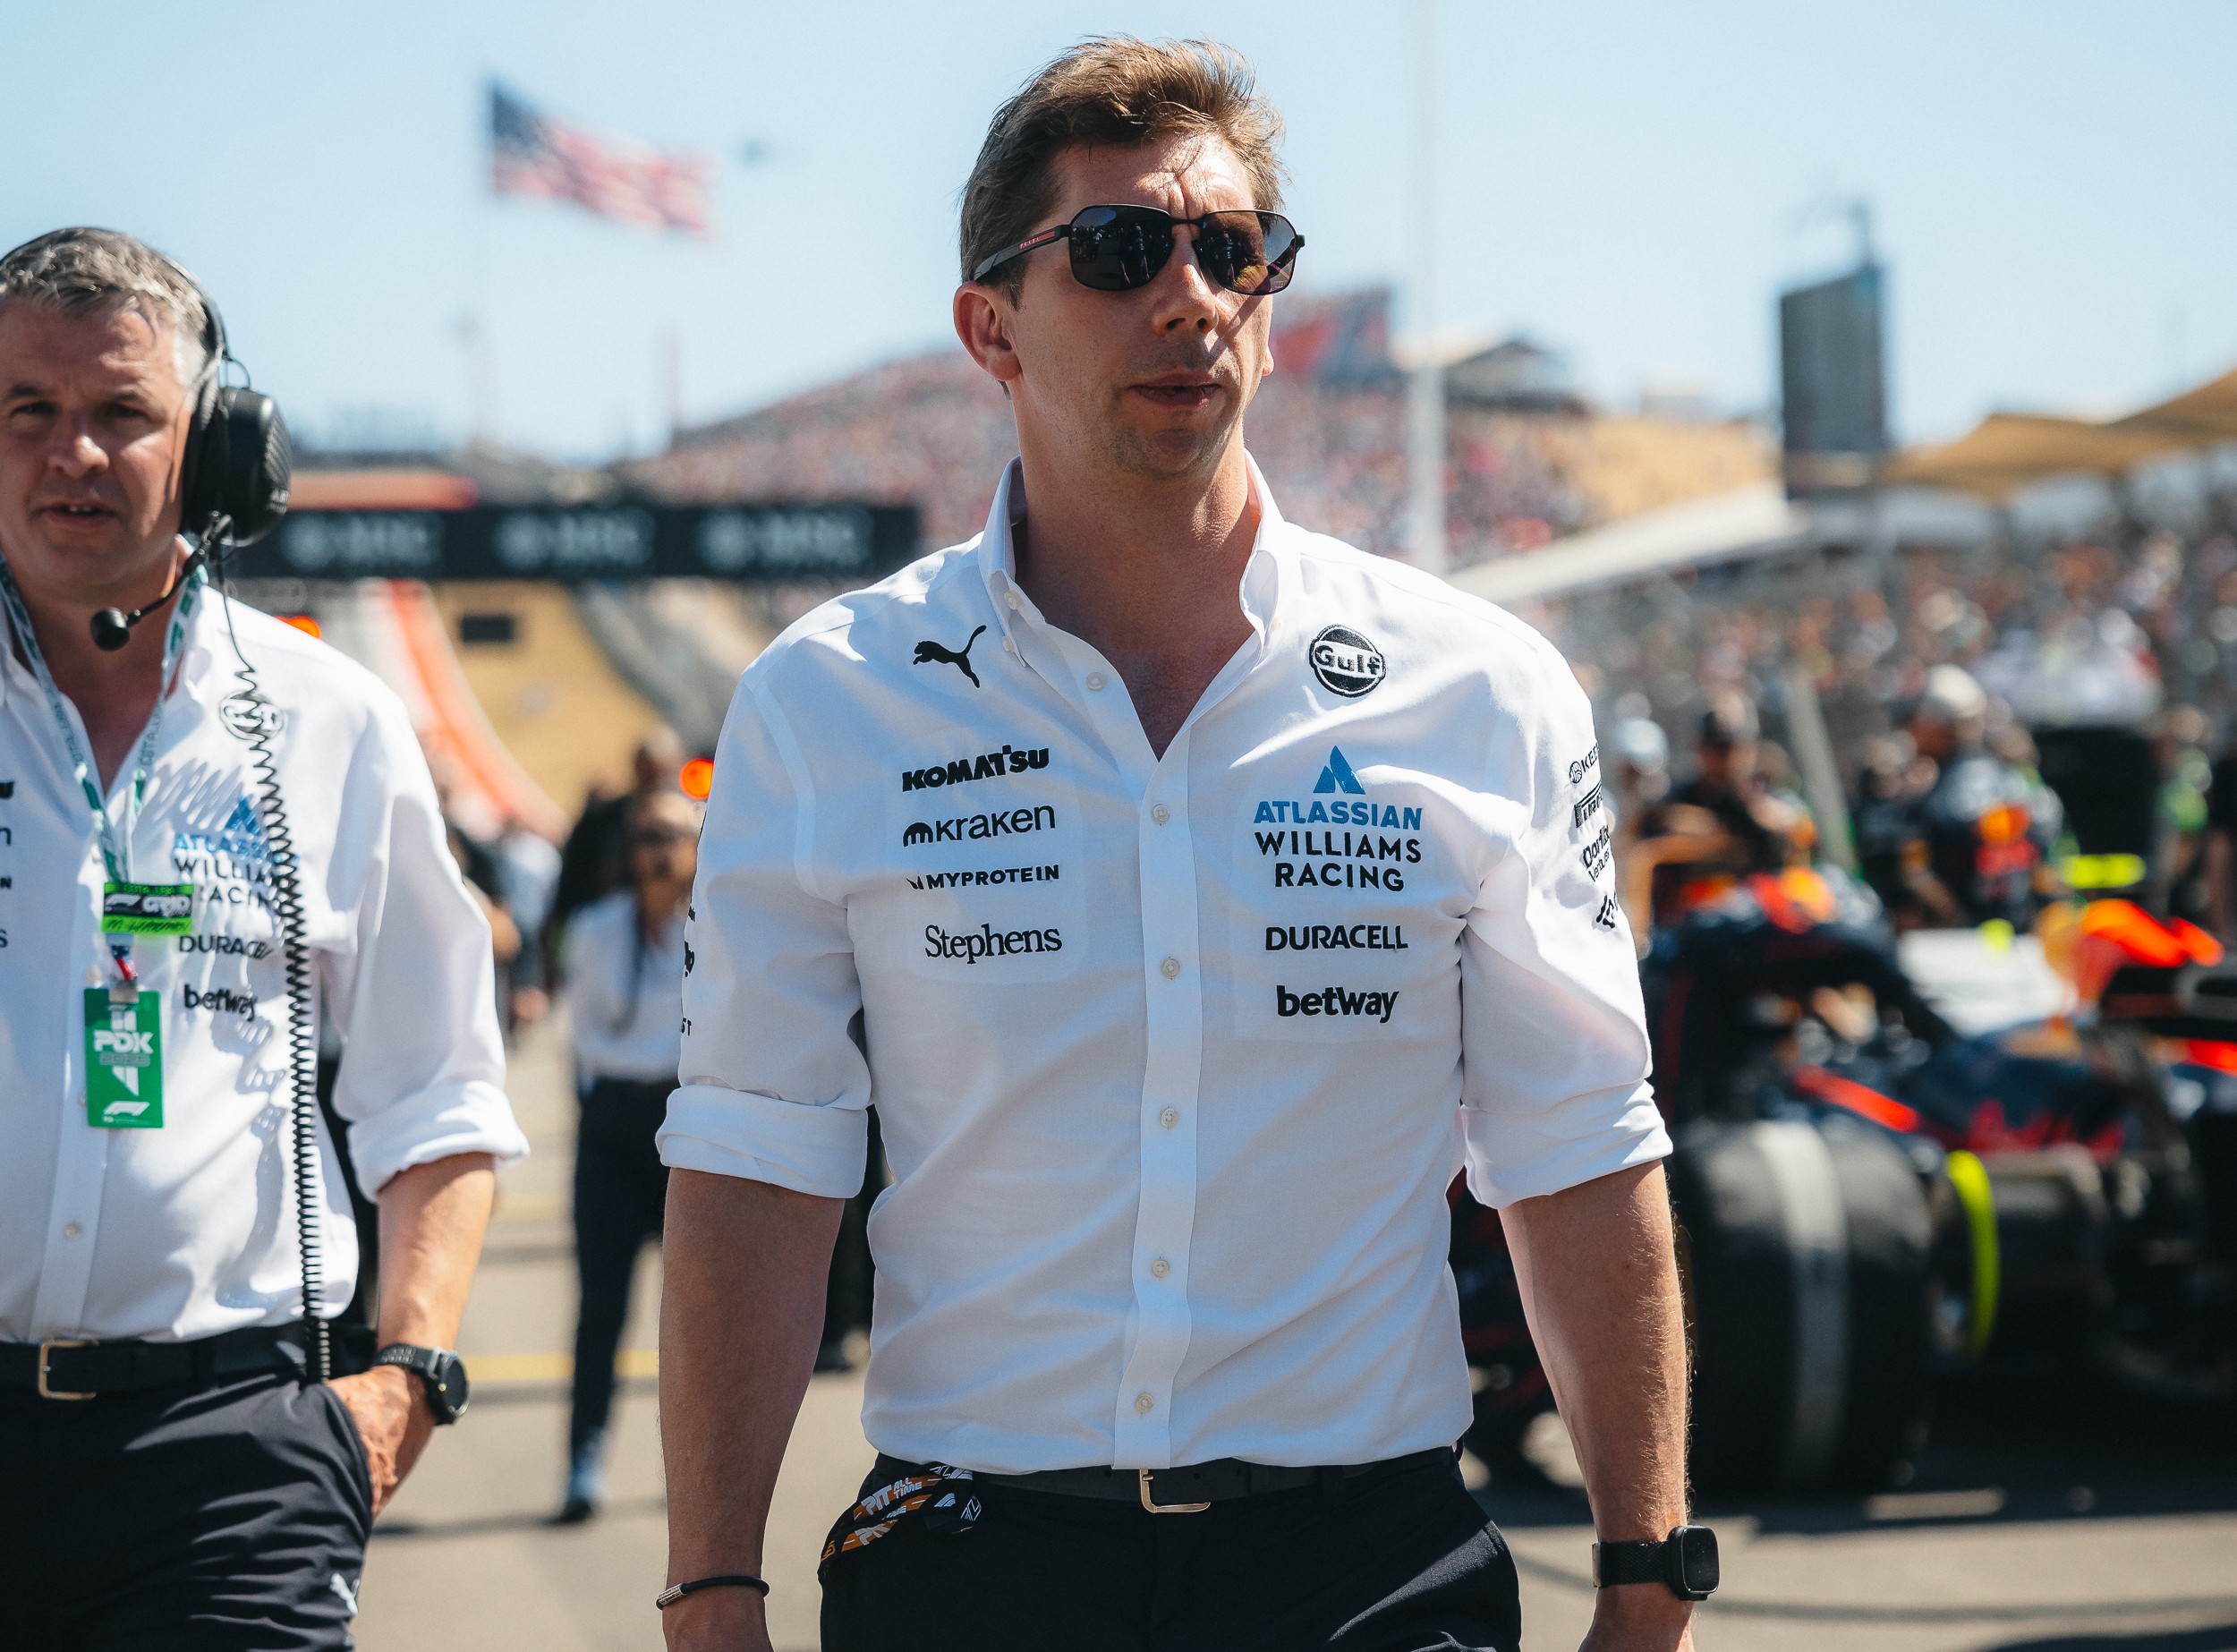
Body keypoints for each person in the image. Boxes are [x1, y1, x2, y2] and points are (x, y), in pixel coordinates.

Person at [659, 40, 1705, 1652]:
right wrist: (712, 1577)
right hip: (977, 1562)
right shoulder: (826, 703)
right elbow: (756, 1160)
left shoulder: (1483, 690)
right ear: (988, 326)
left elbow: (1573, 1141)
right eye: (1122, 250)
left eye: (1234, 251)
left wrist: (1647, 1568)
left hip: (1372, 1571)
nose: (1193, 296)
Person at [0, 227, 527, 1648]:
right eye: (28, 412)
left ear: (216, 447)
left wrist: (405, 1372)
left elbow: (440, 1091)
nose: (74, 456)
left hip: (228, 1457)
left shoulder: (332, 720)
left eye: (123, 413)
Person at [556, 787, 702, 1522]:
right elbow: (581, 1035)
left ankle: (697, 1478)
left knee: (695, 1316)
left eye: (673, 835)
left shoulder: (717, 930)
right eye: (646, 835)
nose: (658, 850)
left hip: (683, 1124)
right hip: (613, 1120)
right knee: (600, 1307)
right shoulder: (596, 928)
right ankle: (583, 1459)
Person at [547, 725, 686, 981]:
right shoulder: (600, 820)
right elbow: (569, 886)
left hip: (665, 953)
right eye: (644, 771)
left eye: (657, 774)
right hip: (598, 943)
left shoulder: (686, 833)